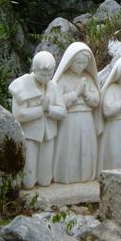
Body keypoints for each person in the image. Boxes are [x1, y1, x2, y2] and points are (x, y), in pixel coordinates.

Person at [9, 51, 66, 188]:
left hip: (48, 135)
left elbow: (62, 111)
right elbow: (19, 115)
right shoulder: (22, 86)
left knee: (45, 180)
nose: (46, 78)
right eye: (43, 75)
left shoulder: (53, 86)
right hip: (30, 135)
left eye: (50, 75)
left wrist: (48, 109)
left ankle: (42, 179)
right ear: (34, 70)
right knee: (28, 182)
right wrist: (40, 110)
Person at [52, 42, 102, 183]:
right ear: (70, 61)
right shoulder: (62, 78)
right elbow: (57, 101)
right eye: (78, 62)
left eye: (84, 63)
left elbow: (96, 100)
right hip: (69, 120)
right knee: (70, 147)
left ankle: (85, 175)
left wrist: (86, 93)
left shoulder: (88, 78)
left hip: (86, 118)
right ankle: (67, 175)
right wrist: (76, 93)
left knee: (86, 148)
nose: (81, 66)